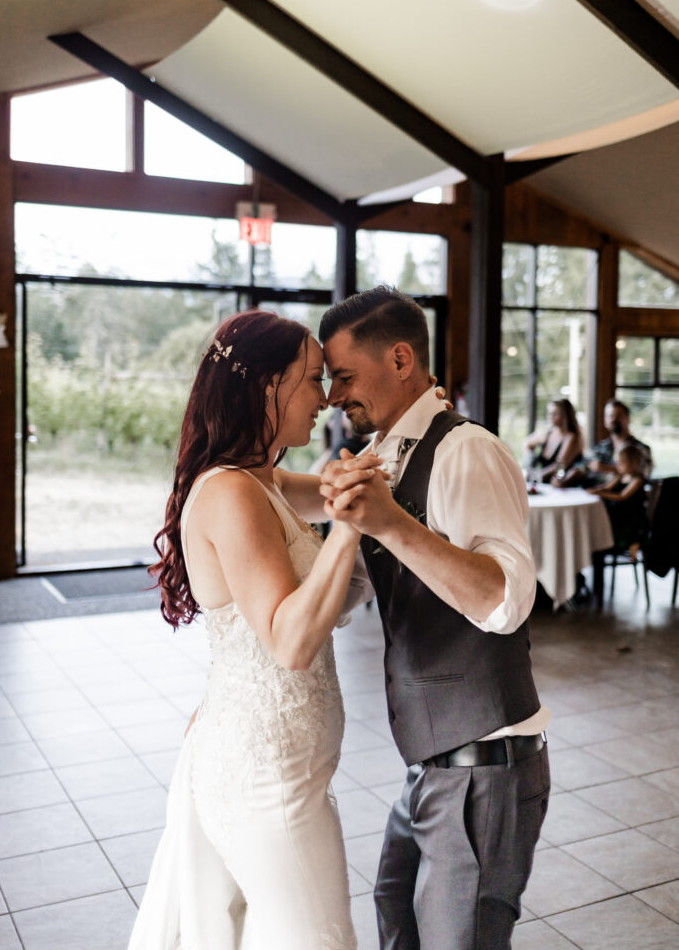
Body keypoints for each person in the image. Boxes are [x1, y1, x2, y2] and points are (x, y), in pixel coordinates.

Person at [129, 309, 377, 950]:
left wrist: (400, 439)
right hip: (266, 782)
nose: (326, 398)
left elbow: (337, 487)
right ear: (268, 384)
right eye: (314, 379)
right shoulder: (231, 494)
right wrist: (349, 527)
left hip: (281, 766)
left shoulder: (261, 480)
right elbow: (289, 642)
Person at [314, 287, 550, 950]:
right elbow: (350, 589)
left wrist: (389, 523)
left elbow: (506, 599)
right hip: (432, 762)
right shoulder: (384, 457)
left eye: (344, 376)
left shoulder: (467, 451)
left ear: (399, 359)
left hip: (484, 761)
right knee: (396, 908)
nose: (334, 396)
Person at [558, 398, 652, 488]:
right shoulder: (600, 448)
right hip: (593, 494)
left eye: (618, 415)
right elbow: (581, 466)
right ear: (605, 420)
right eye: (610, 416)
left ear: (627, 419)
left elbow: (643, 474)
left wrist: (608, 468)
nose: (614, 419)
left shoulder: (640, 449)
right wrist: (565, 480)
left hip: (619, 499)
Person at [592, 443, 648, 559]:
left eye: (621, 464)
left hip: (630, 518)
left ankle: (633, 542)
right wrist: (597, 490)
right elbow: (608, 488)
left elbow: (623, 496)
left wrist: (601, 494)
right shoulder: (620, 476)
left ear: (633, 463)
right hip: (618, 513)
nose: (618, 467)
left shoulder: (637, 479)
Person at [524, 398, 584, 483]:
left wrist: (535, 476)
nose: (550, 416)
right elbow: (527, 444)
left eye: (555, 414)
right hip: (545, 485)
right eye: (549, 413)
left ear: (565, 416)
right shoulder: (548, 434)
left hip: (564, 488)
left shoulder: (571, 437)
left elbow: (559, 467)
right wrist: (530, 464)